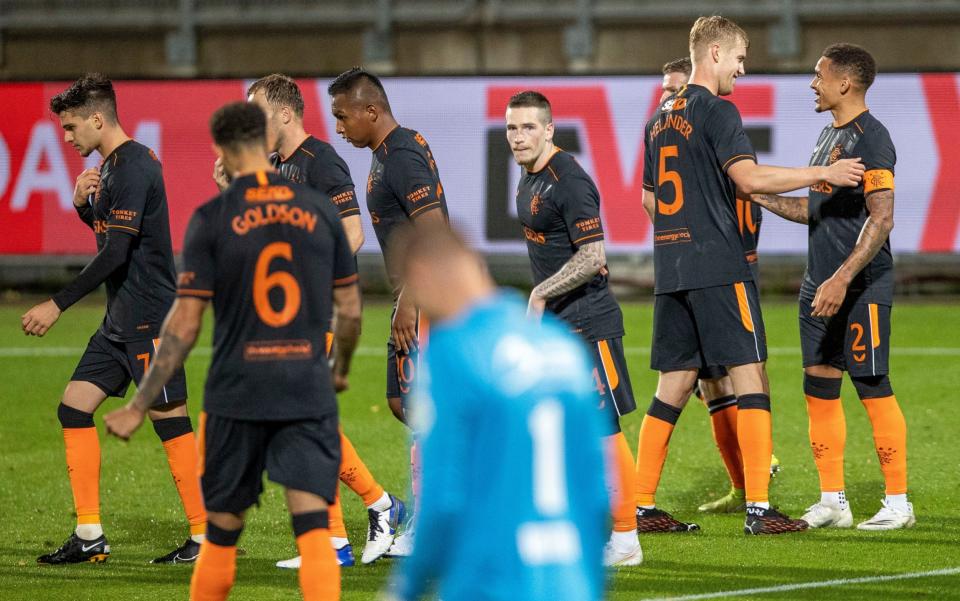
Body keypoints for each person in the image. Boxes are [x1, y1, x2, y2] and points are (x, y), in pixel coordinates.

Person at [104, 100, 362, 600]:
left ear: (221, 149)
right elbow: (349, 311)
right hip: (304, 389)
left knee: (220, 534)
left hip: (236, 393)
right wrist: (340, 369)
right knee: (313, 528)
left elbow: (183, 324)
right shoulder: (318, 211)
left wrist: (140, 403)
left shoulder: (212, 218)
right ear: (267, 143)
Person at [636, 16, 864, 535]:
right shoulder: (717, 110)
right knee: (749, 375)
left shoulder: (659, 118)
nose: (742, 69)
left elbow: (650, 196)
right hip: (719, 265)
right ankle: (760, 509)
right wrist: (822, 174)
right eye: (739, 58)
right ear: (713, 53)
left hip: (671, 267)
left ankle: (642, 505)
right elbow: (749, 178)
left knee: (673, 384)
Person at [22, 73, 206, 564]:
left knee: (171, 421)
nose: (66, 138)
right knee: (73, 407)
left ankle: (205, 536)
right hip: (120, 320)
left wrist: (56, 303)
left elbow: (116, 255)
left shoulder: (134, 166)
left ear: (98, 119)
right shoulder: (114, 167)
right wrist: (84, 207)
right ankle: (89, 534)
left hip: (150, 319)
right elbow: (114, 241)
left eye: (70, 127)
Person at [223, 73, 404, 568]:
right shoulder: (275, 166)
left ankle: (359, 522)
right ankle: (362, 520)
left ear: (283, 114)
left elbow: (351, 235)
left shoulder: (321, 161)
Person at [384, 224, 608, 601]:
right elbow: (597, 492)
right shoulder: (560, 345)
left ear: (420, 276)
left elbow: (443, 496)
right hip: (570, 582)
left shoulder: (455, 352)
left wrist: (404, 588)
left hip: (490, 577)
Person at [750, 43, 912, 530]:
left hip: (861, 286)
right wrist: (756, 193)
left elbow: (881, 219)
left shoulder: (873, 138)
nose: (812, 83)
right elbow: (812, 212)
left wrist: (843, 278)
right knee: (818, 388)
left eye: (819, 75)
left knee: (871, 385)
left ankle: (899, 503)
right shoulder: (827, 137)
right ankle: (833, 500)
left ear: (845, 83)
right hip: (817, 285)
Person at [505, 91, 642, 566]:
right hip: (560, 327)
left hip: (588, 324)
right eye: (511, 128)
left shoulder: (569, 179)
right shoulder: (528, 180)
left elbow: (594, 255)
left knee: (604, 428)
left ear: (549, 130)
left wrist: (540, 293)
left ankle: (626, 539)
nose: (518, 136)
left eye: (527, 127)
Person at [328, 66, 450, 555]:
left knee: (420, 408)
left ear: (370, 111)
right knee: (405, 404)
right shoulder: (390, 151)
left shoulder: (400, 155)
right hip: (415, 299)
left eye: (342, 116)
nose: (339, 128)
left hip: (424, 302)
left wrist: (408, 301)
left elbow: (435, 230)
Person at [656, 57, 781, 515]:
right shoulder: (675, 137)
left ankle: (756, 479)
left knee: (745, 373)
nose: (670, 99)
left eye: (675, 88)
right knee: (711, 386)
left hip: (721, 273)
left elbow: (749, 207)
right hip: (696, 270)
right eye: (664, 91)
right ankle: (747, 490)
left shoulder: (712, 145)